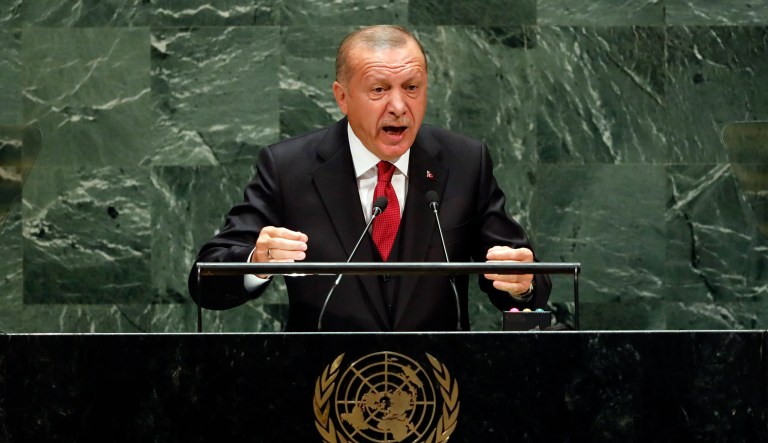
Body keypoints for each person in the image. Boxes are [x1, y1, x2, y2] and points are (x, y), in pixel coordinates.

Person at [188, 25, 551, 331]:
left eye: (412, 87)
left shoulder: (465, 162)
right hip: (324, 389)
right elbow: (206, 280)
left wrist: (522, 284)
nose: (398, 106)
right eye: (379, 90)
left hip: (436, 391)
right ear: (342, 97)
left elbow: (522, 274)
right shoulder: (288, 168)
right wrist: (256, 262)